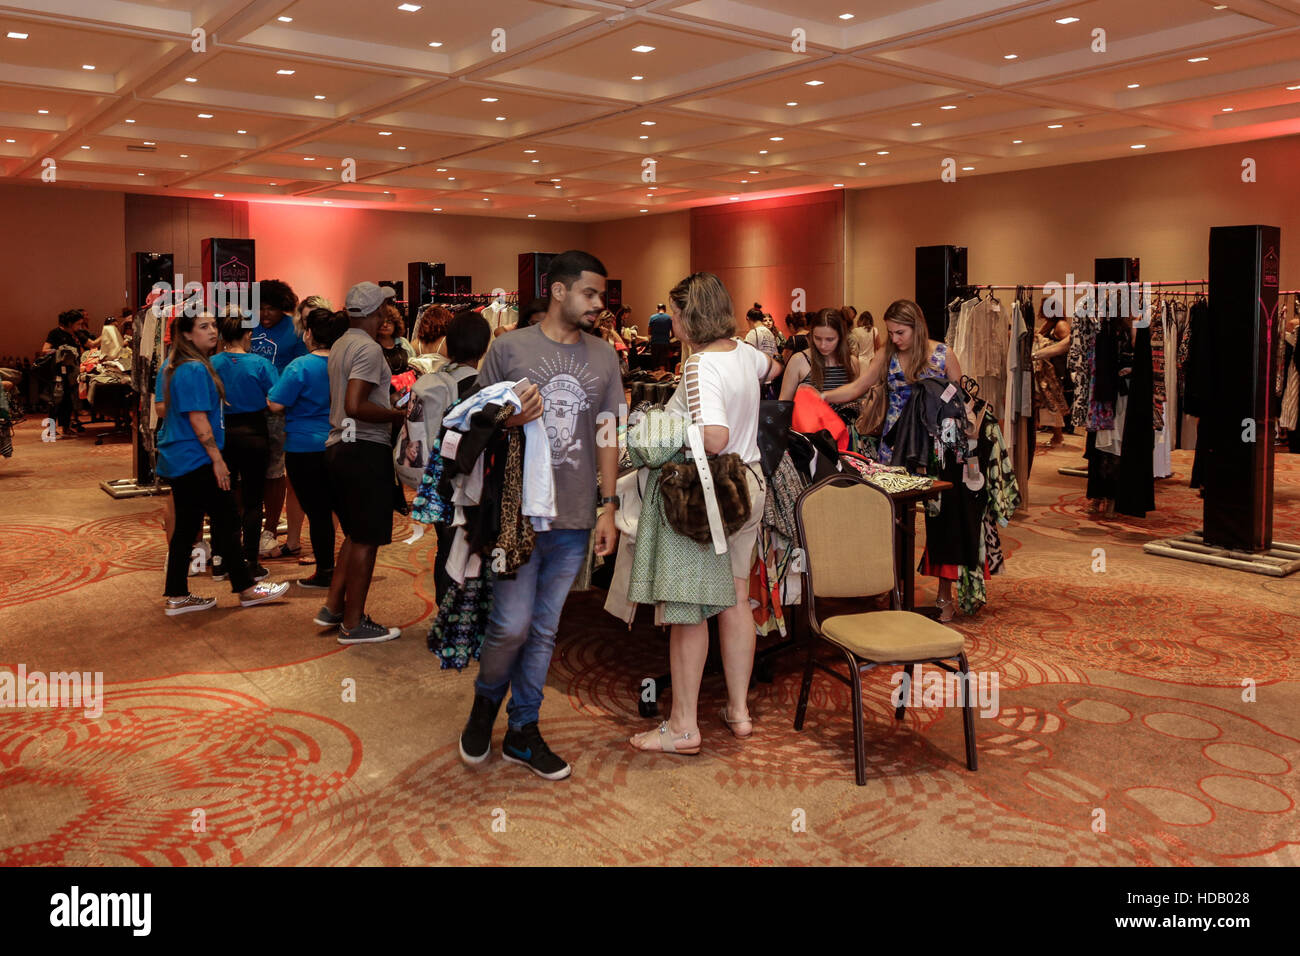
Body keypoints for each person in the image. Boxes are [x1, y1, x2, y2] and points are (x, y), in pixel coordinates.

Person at [458, 250, 622, 781]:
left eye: (602, 295)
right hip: (516, 512)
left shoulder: (605, 356)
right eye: (590, 293)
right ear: (558, 291)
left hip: (575, 514)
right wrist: (507, 418)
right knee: (511, 625)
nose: (599, 303)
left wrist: (609, 506)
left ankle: (523, 730)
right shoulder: (509, 347)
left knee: (546, 629)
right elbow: (470, 423)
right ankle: (486, 705)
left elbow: (606, 432)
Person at [630, 272, 781, 755]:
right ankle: (738, 711)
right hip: (751, 484)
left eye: (674, 315)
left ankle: (682, 727)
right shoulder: (746, 353)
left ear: (689, 315)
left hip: (712, 492)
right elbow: (775, 369)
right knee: (737, 599)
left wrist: (661, 432)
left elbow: (712, 437)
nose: (670, 324)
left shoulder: (697, 365)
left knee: (689, 608)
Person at [819, 299, 964, 620]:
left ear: (917, 326)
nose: (894, 338)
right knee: (893, 519)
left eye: (900, 332)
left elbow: (959, 403)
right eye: (891, 332)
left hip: (937, 448)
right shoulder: (888, 355)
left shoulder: (944, 355)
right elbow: (859, 386)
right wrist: (824, 396)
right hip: (895, 449)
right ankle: (893, 588)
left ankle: (944, 596)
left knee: (941, 522)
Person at [156, 312, 288, 616]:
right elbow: (197, 417)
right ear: (187, 334)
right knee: (226, 520)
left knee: (193, 525)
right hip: (195, 457)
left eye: (213, 325)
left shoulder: (179, 364)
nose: (212, 330)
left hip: (183, 455)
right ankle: (245, 588)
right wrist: (217, 459)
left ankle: (179, 594)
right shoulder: (192, 368)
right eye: (203, 327)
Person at [317, 282, 408, 644]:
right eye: (384, 305)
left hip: (339, 446)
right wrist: (396, 415)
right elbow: (356, 405)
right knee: (367, 539)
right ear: (374, 312)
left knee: (354, 535)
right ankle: (353, 624)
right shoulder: (369, 349)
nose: (388, 311)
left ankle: (333, 607)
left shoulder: (342, 343)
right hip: (363, 450)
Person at [407, 309, 493, 604]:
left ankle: (443, 611)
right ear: (483, 347)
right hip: (465, 483)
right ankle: (460, 617)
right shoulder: (482, 388)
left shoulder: (429, 381)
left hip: (431, 480)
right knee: (467, 550)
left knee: (444, 547)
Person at [269, 307, 347, 590]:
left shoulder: (300, 366)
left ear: (309, 333)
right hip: (339, 442)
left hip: (304, 447)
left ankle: (325, 570)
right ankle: (350, 566)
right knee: (342, 508)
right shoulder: (344, 364)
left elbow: (276, 403)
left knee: (317, 512)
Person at [211, 314, 279, 577]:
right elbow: (275, 398)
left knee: (222, 498)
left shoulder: (211, 364)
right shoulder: (260, 364)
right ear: (247, 334)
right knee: (253, 500)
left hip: (221, 433)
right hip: (254, 433)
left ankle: (220, 560)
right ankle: (250, 561)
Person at [251, 279, 307, 559]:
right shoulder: (247, 326)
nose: (264, 315)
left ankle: (270, 529)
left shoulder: (294, 329)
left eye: (271, 309)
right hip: (246, 408)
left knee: (275, 472)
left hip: (279, 409)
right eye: (260, 308)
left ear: (283, 307)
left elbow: (299, 369)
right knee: (246, 471)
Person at [778, 308, 860, 431]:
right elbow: (783, 404)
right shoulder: (799, 360)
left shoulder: (851, 362)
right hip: (809, 439)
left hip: (844, 438)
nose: (823, 345)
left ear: (841, 337)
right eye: (817, 338)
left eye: (830, 339)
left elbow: (857, 400)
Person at [1032, 305, 1072, 445]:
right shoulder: (1049, 324)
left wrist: (1046, 344)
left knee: (1054, 402)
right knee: (1047, 402)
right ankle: (1056, 435)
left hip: (1055, 370)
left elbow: (1069, 343)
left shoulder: (1061, 325)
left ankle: (1058, 435)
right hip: (1046, 370)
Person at [40, 310, 83, 436]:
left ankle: (65, 427)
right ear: (70, 323)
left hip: (70, 372)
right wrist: (61, 352)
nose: (80, 327)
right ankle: (51, 429)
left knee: (68, 401)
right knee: (56, 400)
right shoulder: (55, 333)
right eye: (78, 324)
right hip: (58, 372)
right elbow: (45, 350)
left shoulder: (73, 335)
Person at [377, 302, 415, 373]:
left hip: (407, 383)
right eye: (382, 322)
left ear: (396, 324)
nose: (385, 325)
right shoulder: (371, 345)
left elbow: (414, 364)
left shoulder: (403, 343)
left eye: (389, 322)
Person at [648, 302, 674, 370]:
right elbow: (673, 333)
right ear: (665, 309)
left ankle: (654, 378)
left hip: (655, 343)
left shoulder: (652, 317)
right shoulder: (669, 318)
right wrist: (668, 338)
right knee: (662, 362)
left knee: (655, 363)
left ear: (657, 309)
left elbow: (649, 332)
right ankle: (662, 377)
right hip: (665, 343)